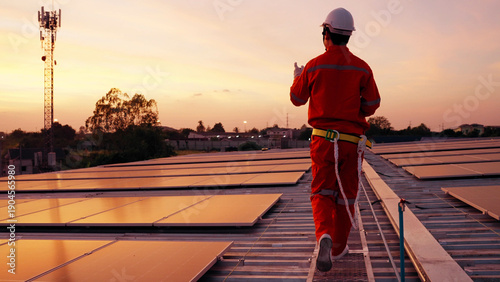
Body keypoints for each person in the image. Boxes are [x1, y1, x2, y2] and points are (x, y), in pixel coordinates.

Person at [290, 7, 380, 272]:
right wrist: (355, 109)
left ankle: (324, 236)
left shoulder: (315, 65)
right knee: (346, 195)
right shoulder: (362, 67)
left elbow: (297, 99)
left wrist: (298, 77)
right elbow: (373, 104)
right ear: (349, 36)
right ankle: (339, 247)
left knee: (321, 192)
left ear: (326, 32)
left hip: (323, 142)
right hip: (352, 143)